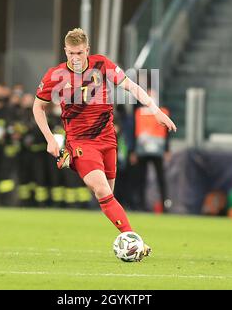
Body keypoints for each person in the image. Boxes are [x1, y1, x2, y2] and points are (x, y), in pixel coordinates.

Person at [33, 28, 177, 260]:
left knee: (108, 193)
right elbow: (37, 107)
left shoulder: (102, 64)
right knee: (101, 189)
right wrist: (50, 138)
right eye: (71, 53)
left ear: (87, 50)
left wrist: (155, 111)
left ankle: (128, 236)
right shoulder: (55, 75)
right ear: (65, 51)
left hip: (108, 139)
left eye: (79, 53)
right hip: (80, 142)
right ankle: (133, 241)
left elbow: (132, 87)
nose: (75, 58)